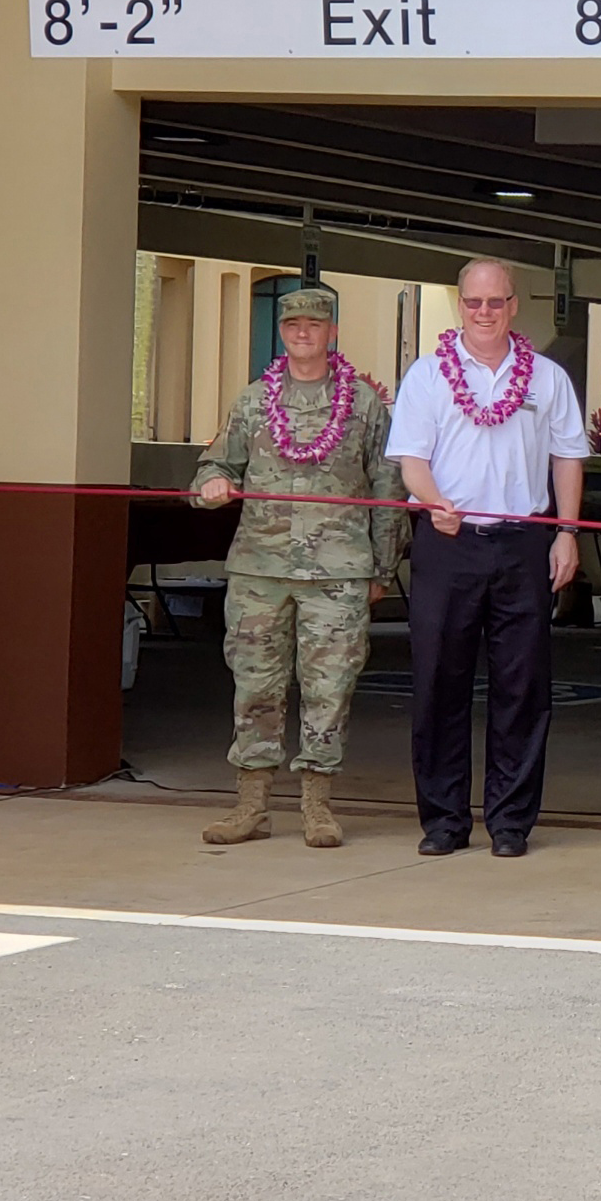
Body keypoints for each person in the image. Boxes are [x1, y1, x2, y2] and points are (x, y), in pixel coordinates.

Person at [193, 288, 408, 849]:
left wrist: (382, 568)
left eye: (315, 324)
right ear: (282, 333)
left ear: (332, 332)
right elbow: (215, 463)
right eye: (293, 326)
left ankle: (317, 804)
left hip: (338, 572)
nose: (303, 333)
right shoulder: (252, 401)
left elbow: (388, 489)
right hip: (260, 570)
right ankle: (251, 805)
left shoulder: (363, 404)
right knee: (254, 686)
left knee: (329, 688)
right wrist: (211, 484)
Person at [387, 258, 586, 858]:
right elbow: (411, 461)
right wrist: (433, 501)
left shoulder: (547, 378)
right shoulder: (427, 376)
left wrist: (567, 532)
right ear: (460, 304)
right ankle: (444, 822)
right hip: (448, 543)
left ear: (513, 305)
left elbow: (567, 458)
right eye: (473, 303)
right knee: (439, 683)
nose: (483, 313)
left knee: (523, 688)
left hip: (523, 543)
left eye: (495, 303)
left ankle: (510, 823)